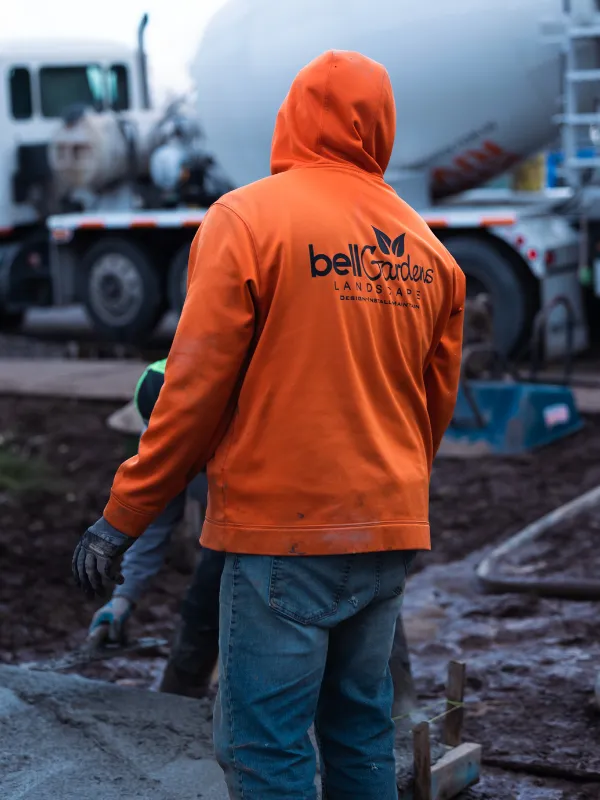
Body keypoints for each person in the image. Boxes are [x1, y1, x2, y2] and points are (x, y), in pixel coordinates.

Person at [73, 50, 465, 799]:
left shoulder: (248, 219)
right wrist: (383, 497)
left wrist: (120, 518)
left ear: (294, 115)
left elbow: (191, 392)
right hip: (388, 530)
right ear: (381, 126)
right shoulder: (431, 253)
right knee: (358, 734)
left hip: (283, 535)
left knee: (266, 751)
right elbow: (430, 414)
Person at [91, 359, 419, 707]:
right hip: (235, 527)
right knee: (205, 602)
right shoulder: (173, 417)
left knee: (358, 598)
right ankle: (175, 705)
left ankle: (399, 709)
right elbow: (156, 519)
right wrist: (123, 598)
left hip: (327, 513)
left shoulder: (265, 414)